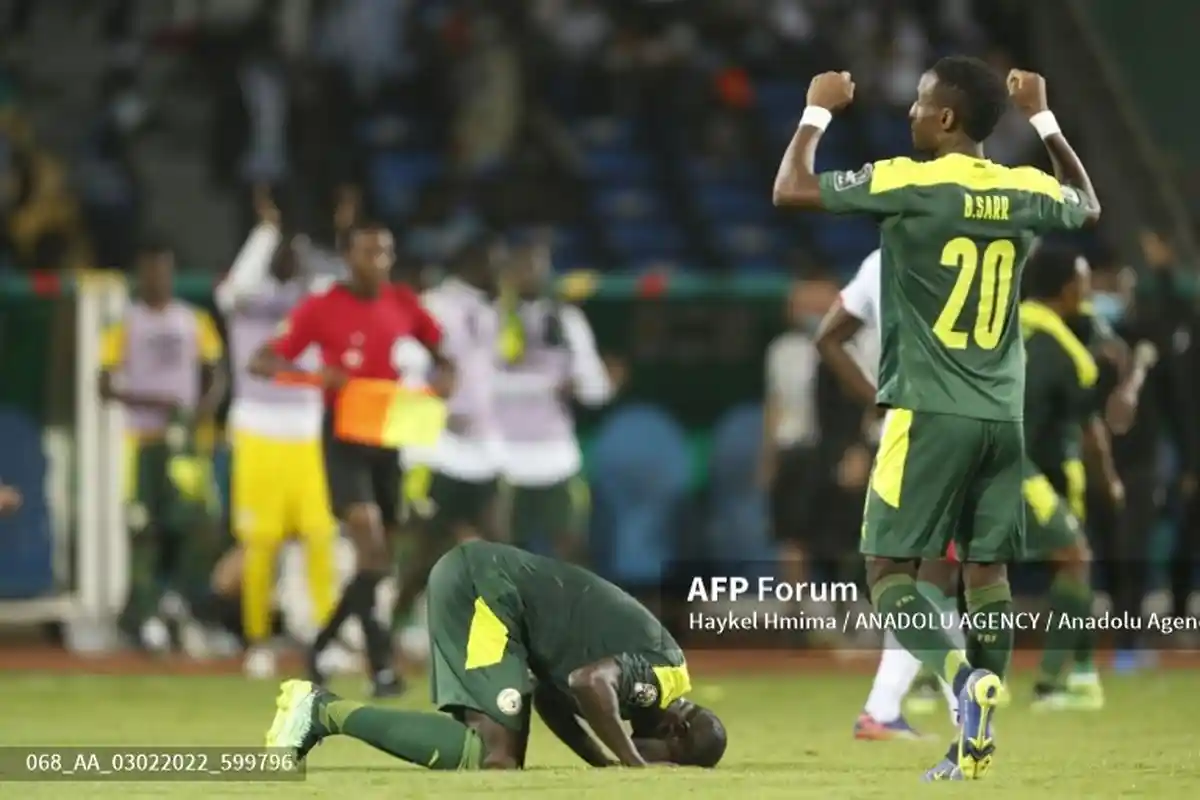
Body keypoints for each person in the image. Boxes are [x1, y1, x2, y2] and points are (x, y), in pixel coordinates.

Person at [772, 59, 1100, 781]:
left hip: (928, 411)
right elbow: (1087, 203)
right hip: (1000, 420)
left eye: (921, 104)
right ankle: (972, 743)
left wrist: (816, 110)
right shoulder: (1021, 189)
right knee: (987, 577)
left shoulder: (910, 181)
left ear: (946, 120)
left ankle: (957, 680)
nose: (912, 115)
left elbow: (790, 189)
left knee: (887, 569)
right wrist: (1042, 117)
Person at [266, 540, 727, 770]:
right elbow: (589, 682)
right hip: (486, 590)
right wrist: (633, 764)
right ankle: (322, 711)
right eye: (671, 756)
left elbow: (553, 695)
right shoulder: (664, 676)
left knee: (499, 754)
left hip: (493, 590)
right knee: (492, 754)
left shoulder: (642, 684)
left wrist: (603, 763)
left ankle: (323, 713)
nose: (659, 759)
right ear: (677, 727)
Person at [250, 220, 453, 697]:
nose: (378, 261)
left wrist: (446, 380)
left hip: (388, 435)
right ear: (348, 257)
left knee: (379, 563)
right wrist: (316, 378)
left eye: (384, 252)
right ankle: (382, 668)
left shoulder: (403, 303)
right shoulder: (322, 308)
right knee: (372, 547)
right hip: (342, 439)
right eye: (368, 252)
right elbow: (261, 361)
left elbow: (446, 357)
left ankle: (319, 646)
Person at [814, 248, 964, 740]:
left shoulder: (881, 258)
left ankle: (898, 704)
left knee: (928, 571)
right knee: (926, 570)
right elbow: (829, 339)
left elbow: (830, 337)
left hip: (914, 431)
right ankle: (952, 693)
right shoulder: (968, 249)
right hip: (934, 431)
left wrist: (879, 400)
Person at [215, 187, 339, 679]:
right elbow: (237, 284)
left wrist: (319, 236)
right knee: (260, 542)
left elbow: (340, 281)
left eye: (296, 249)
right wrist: (266, 232)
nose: (291, 257)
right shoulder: (245, 299)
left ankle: (322, 640)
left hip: (306, 428)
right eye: (283, 250)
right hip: (258, 426)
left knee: (320, 535)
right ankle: (258, 642)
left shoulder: (312, 299)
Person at [99, 241, 228, 652]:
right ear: (141, 276)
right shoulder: (126, 324)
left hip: (187, 447)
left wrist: (200, 413)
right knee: (144, 528)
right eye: (151, 272)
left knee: (200, 523)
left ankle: (180, 601)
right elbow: (104, 384)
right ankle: (143, 614)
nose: (158, 279)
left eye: (165, 271)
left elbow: (214, 373)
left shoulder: (193, 321)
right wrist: (154, 403)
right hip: (142, 443)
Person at [1019, 248, 1130, 709]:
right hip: (1023, 468)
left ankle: (1082, 676)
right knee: (1074, 559)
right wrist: (1107, 477)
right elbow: (1089, 427)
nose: (1088, 293)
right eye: (1083, 283)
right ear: (1066, 288)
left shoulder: (1011, 324)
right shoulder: (1065, 356)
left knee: (1069, 561)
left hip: (1017, 464)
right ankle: (1051, 682)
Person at [390, 235, 506, 642]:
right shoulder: (434, 306)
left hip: (481, 451)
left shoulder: (489, 311)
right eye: (493, 264)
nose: (500, 274)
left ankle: (500, 636)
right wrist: (433, 387)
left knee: (496, 544)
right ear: (472, 264)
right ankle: (390, 626)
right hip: (438, 448)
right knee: (424, 551)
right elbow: (409, 363)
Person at [495, 238, 617, 563]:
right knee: (501, 553)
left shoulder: (567, 321)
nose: (532, 273)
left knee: (571, 548)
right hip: (501, 460)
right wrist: (542, 384)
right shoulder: (490, 318)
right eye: (523, 265)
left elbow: (597, 391)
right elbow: (480, 385)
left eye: (539, 264)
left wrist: (580, 385)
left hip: (556, 459)